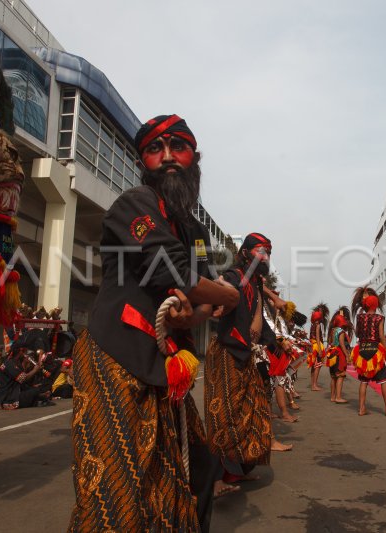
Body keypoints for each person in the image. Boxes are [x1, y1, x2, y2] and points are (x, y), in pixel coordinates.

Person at [69, 115, 239, 532]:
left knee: (200, 469)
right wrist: (229, 296)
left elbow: (199, 304)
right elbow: (178, 274)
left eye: (176, 148)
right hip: (116, 355)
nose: (166, 159)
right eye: (154, 150)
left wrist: (195, 310)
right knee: (117, 486)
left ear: (193, 159)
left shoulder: (195, 229)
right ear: (143, 160)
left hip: (166, 366)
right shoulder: (135, 204)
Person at [205, 233, 282, 497]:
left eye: (268, 252)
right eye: (261, 250)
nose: (266, 256)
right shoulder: (234, 275)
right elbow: (223, 288)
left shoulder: (256, 283)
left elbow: (260, 311)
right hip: (228, 352)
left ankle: (238, 470)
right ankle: (215, 479)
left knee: (253, 412)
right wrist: (220, 297)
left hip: (248, 355)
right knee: (222, 416)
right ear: (247, 252)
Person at [351, 287, 386, 416]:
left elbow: (357, 333)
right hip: (375, 350)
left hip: (361, 350)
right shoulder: (380, 318)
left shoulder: (360, 317)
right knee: (384, 380)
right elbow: (382, 336)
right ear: (376, 304)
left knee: (363, 381)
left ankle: (361, 408)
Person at [327, 310, 351, 402]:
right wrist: (347, 355)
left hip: (332, 353)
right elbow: (341, 344)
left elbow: (330, 342)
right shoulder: (341, 331)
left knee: (333, 377)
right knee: (340, 375)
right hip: (338, 353)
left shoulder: (333, 330)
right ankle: (338, 397)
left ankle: (332, 397)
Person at [308, 303, 328, 391]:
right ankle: (314, 385)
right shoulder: (318, 325)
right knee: (318, 366)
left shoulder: (312, 325)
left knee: (313, 366)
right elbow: (318, 337)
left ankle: (313, 384)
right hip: (317, 346)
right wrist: (320, 350)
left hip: (312, 345)